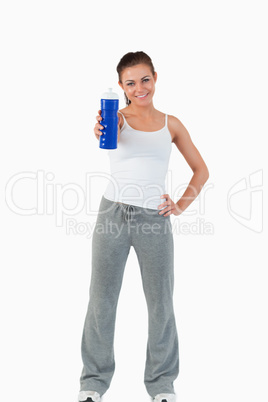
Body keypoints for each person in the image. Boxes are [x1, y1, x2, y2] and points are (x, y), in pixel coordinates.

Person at [78, 51, 209, 402]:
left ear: (155, 77)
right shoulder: (115, 118)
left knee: (161, 303)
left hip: (155, 219)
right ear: (121, 87)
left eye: (144, 79)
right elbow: (105, 131)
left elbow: (201, 171)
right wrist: (102, 126)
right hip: (113, 216)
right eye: (130, 83)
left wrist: (179, 205)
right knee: (102, 301)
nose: (139, 88)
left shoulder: (172, 124)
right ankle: (93, 381)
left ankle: (162, 384)